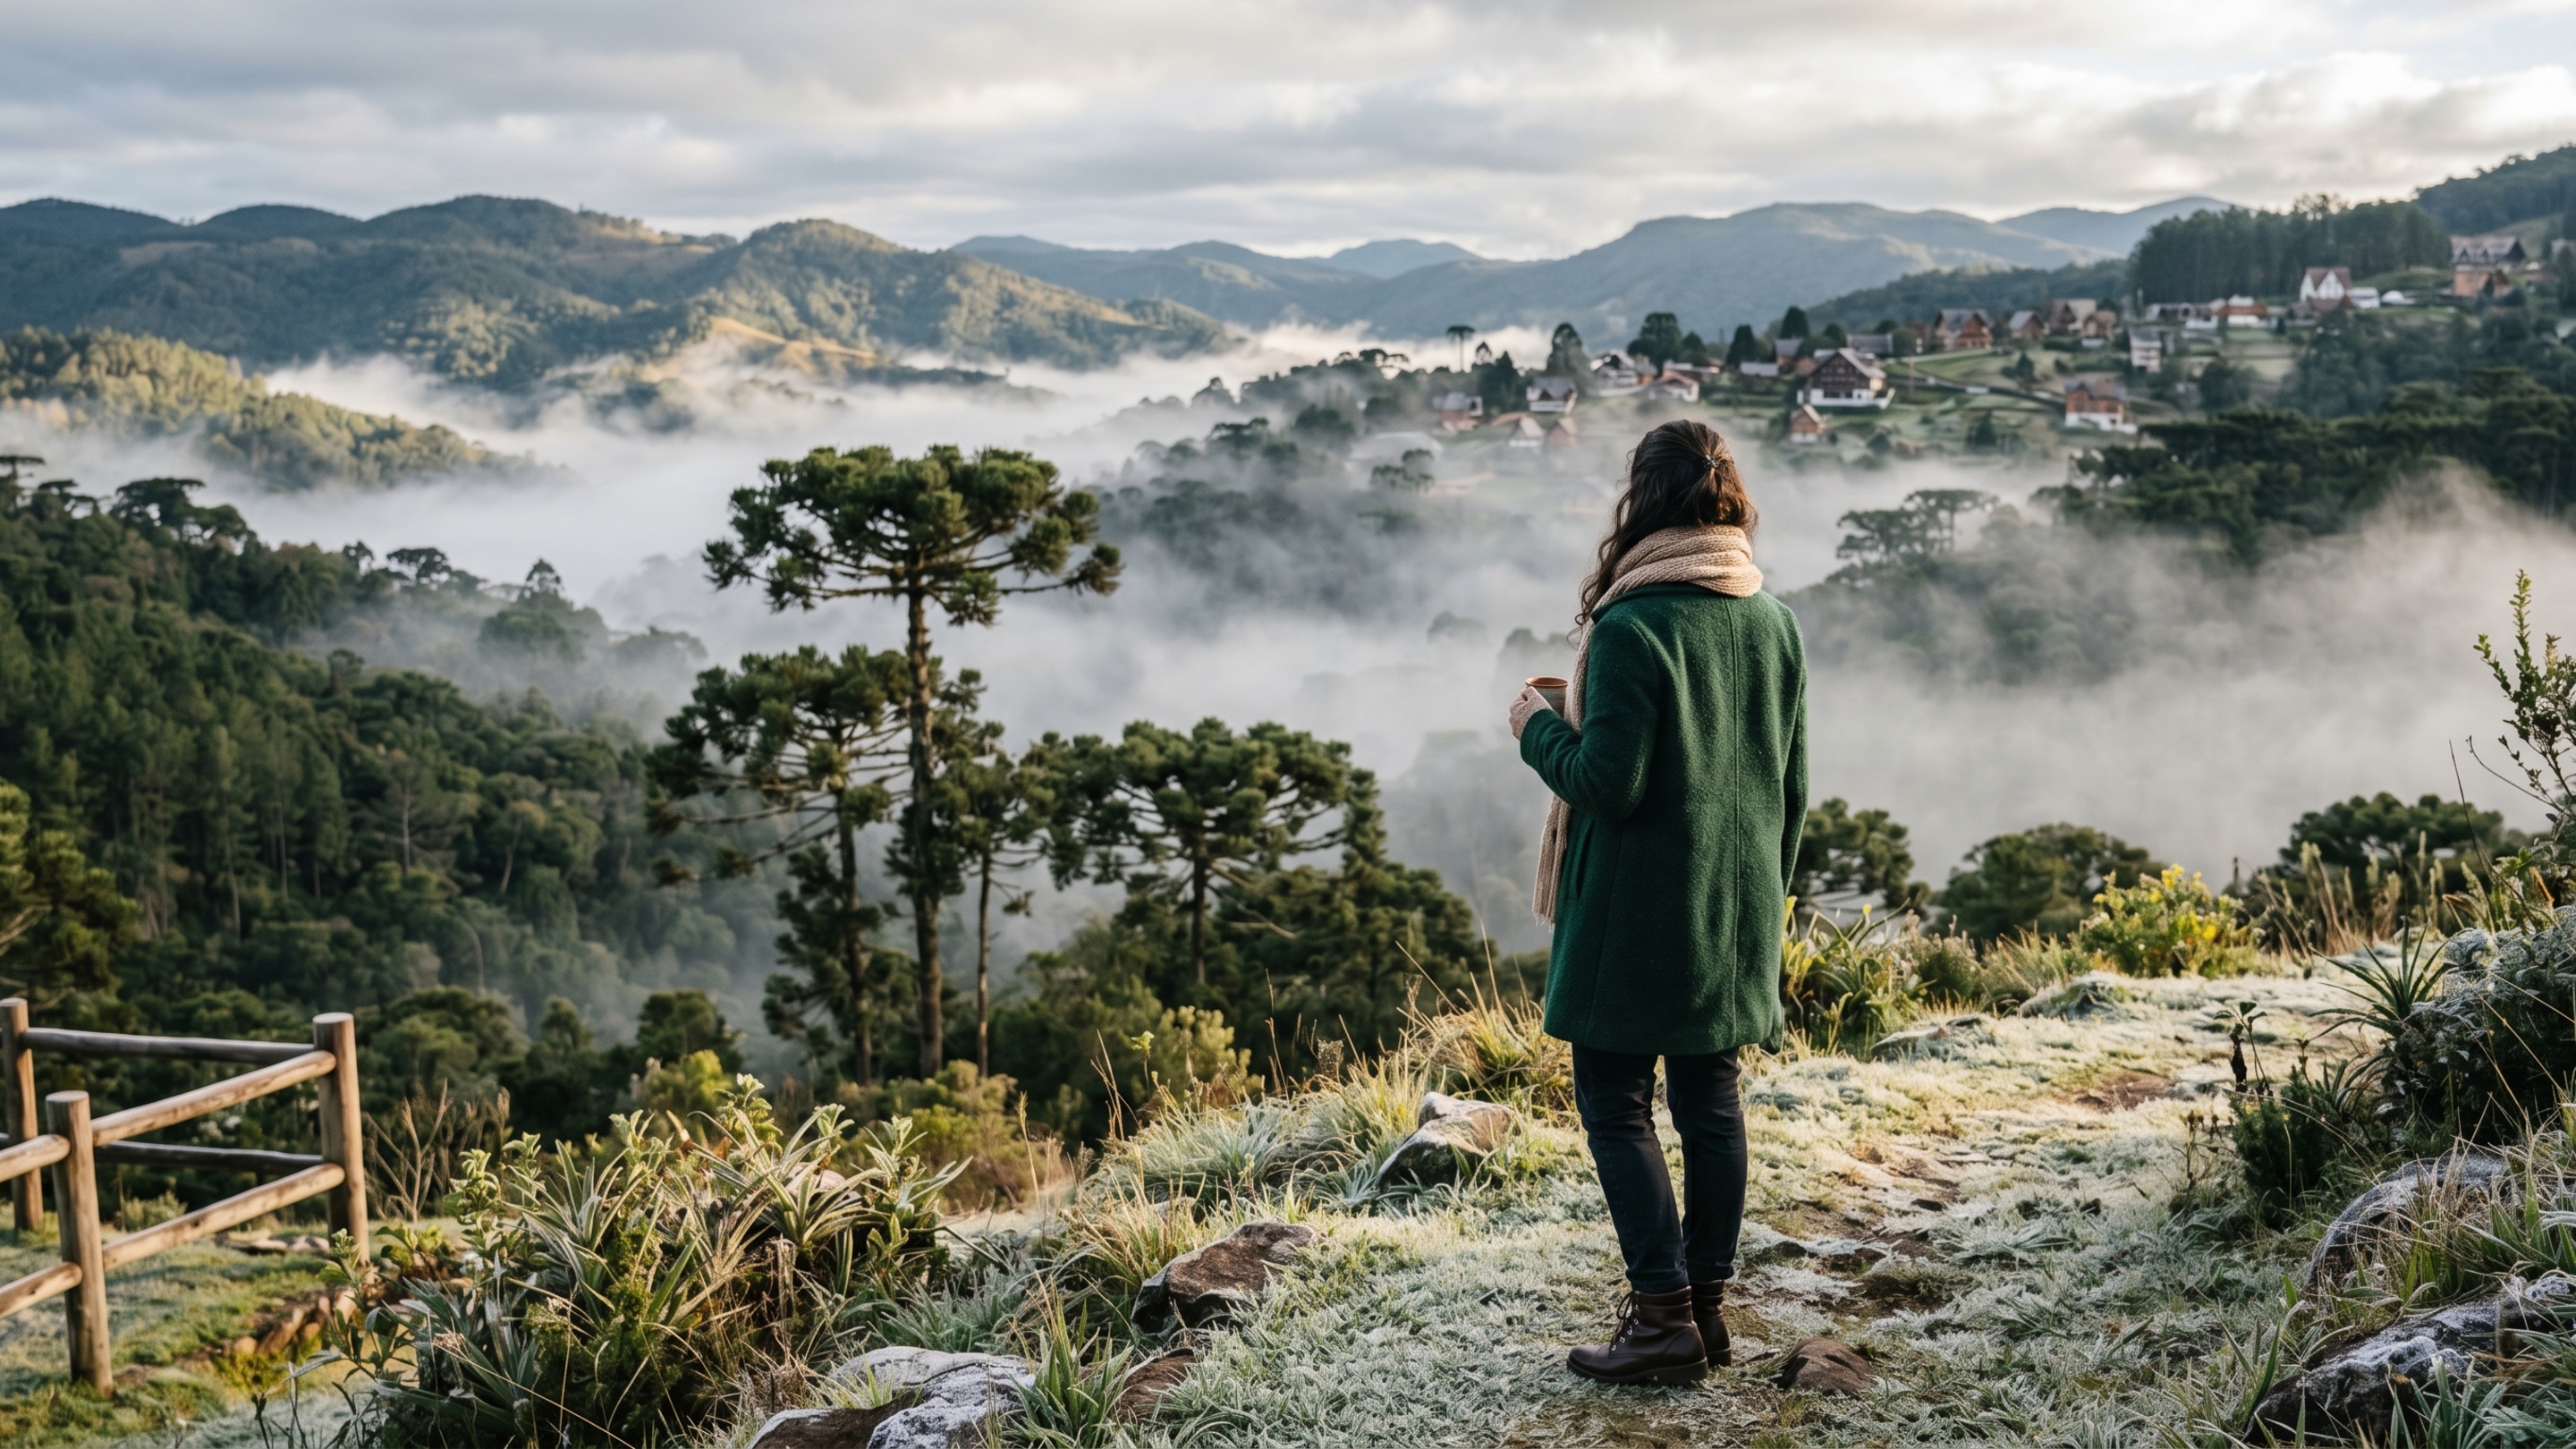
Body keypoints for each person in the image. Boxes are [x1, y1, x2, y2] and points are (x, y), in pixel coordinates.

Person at [1508, 418, 1807, 1386]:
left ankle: (1661, 1317)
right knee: (1710, 1101)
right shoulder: (1773, 619)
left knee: (1615, 1099)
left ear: (1642, 499)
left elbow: (1608, 782)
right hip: (1735, 905)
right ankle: (1706, 1311)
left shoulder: (1635, 626)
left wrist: (1537, 725)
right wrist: (1765, 903)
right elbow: (1792, 787)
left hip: (1637, 916)